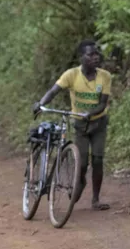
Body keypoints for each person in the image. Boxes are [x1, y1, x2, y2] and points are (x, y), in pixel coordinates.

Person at [34, 40, 113, 210]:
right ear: (81, 57)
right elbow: (54, 91)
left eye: (96, 54)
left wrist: (90, 114)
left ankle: (96, 199)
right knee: (82, 162)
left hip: (98, 123)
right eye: (90, 54)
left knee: (98, 159)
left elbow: (103, 103)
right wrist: (40, 103)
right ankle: (81, 181)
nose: (95, 57)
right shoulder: (71, 75)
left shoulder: (105, 76)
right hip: (80, 125)